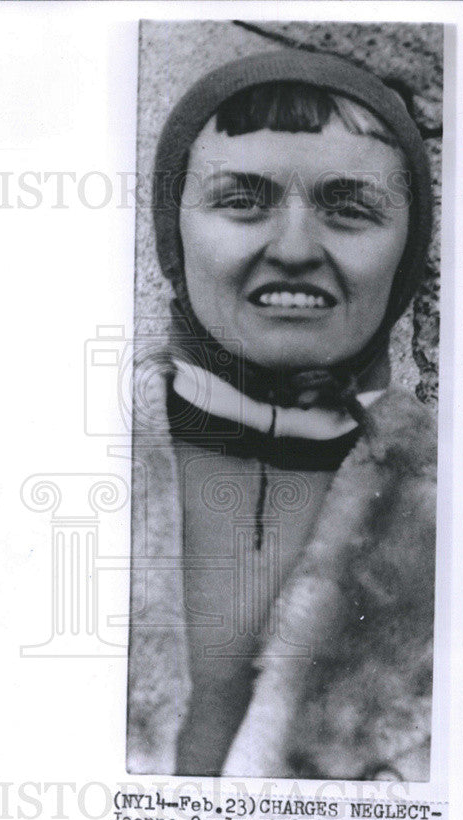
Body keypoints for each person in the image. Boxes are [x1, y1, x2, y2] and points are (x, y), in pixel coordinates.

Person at [127, 46, 437, 780]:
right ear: (174, 235)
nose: (295, 248)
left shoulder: (460, 509)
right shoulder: (46, 453)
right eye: (240, 200)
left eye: (349, 207)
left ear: (407, 252)